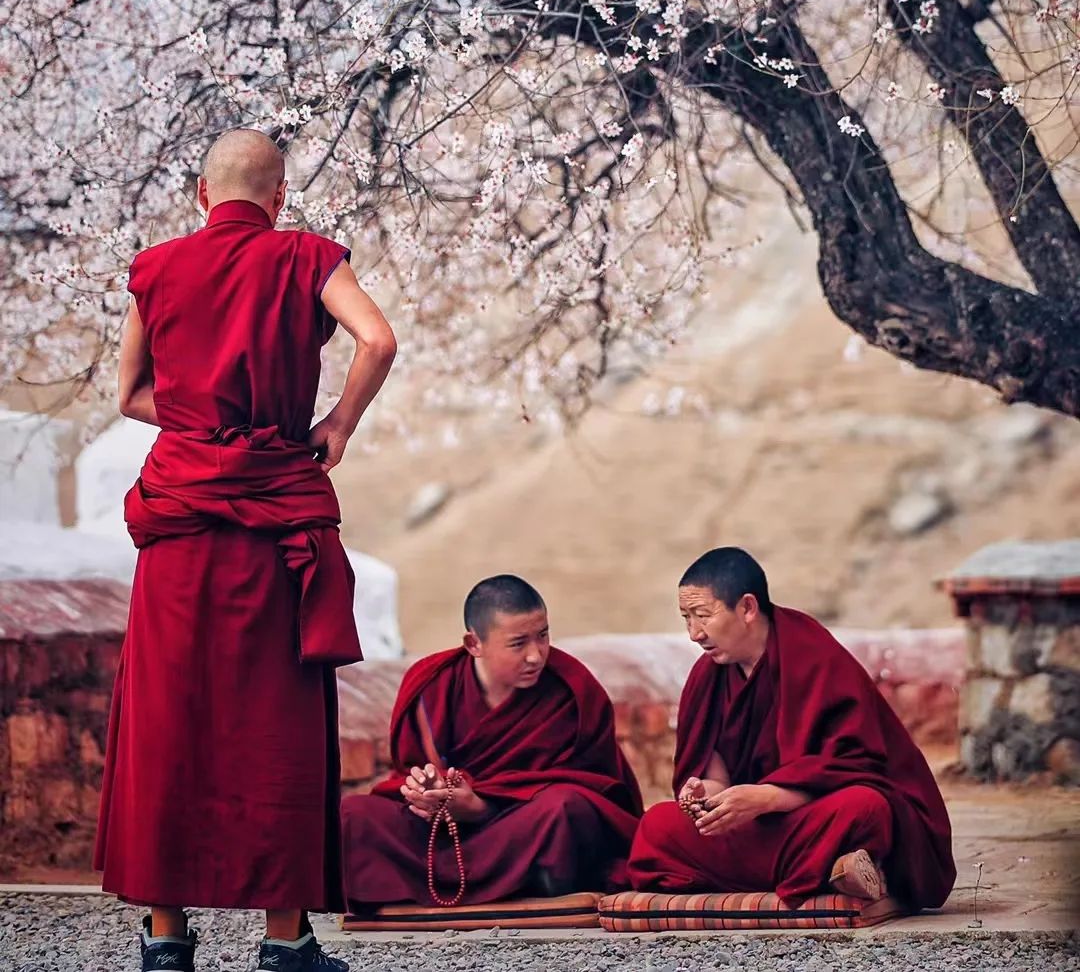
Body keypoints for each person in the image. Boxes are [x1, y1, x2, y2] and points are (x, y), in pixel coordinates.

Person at [95, 129, 397, 972]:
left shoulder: (156, 270)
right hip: (275, 524)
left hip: (182, 524)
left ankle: (165, 940)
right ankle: (284, 940)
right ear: (279, 198)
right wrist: (334, 424)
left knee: (169, 720)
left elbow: (129, 394)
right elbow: (379, 340)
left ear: (201, 195)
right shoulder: (302, 257)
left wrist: (203, 430)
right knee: (277, 723)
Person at [627, 547, 955, 912]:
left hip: (807, 812)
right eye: (686, 618)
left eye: (702, 616)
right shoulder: (708, 677)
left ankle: (824, 865)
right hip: (759, 828)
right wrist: (709, 797)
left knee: (866, 808)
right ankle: (834, 869)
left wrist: (766, 797)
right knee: (657, 825)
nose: (693, 633)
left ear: (748, 608)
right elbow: (714, 768)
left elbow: (855, 766)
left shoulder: (814, 656)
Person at [341, 574, 643, 910]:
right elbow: (409, 769)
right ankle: (518, 884)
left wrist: (480, 807)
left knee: (567, 808)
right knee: (355, 813)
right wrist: (425, 791)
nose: (536, 655)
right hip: (443, 834)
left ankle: (524, 881)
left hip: (521, 828)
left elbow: (600, 786)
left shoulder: (572, 688)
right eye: (518, 643)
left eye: (542, 636)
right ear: (474, 644)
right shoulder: (431, 683)